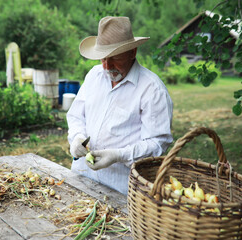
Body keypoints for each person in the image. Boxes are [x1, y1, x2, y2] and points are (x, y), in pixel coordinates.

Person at [67, 16, 173, 195]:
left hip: (121, 189)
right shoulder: (94, 75)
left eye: (115, 58)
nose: (107, 66)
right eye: (103, 58)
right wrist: (77, 137)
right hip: (81, 178)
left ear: (133, 52)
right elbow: (76, 115)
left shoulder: (152, 90)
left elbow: (157, 143)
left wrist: (118, 155)